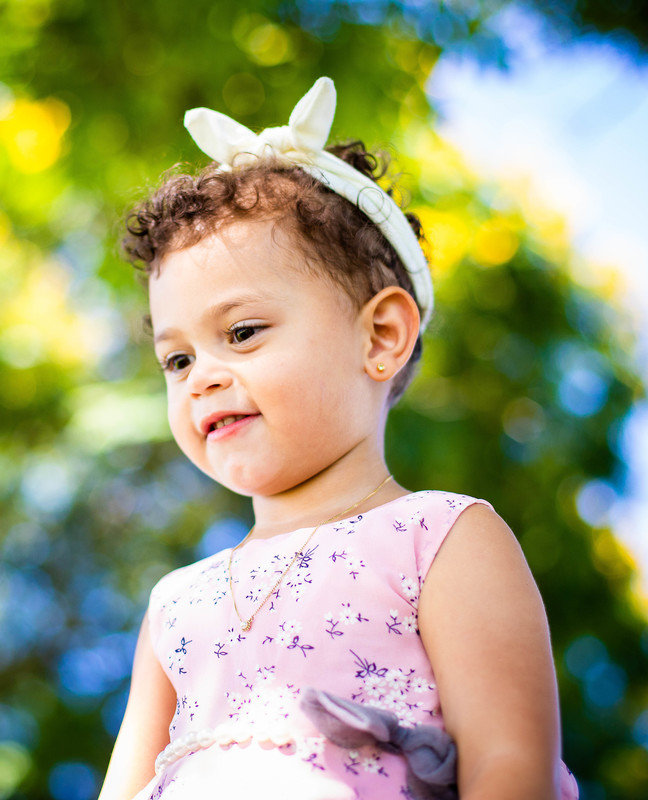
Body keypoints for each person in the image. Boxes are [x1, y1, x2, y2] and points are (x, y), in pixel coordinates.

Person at [98, 77, 579, 800]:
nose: (201, 378)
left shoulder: (439, 538)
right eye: (178, 360)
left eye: (242, 332)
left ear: (380, 336)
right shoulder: (175, 604)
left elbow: (510, 768)